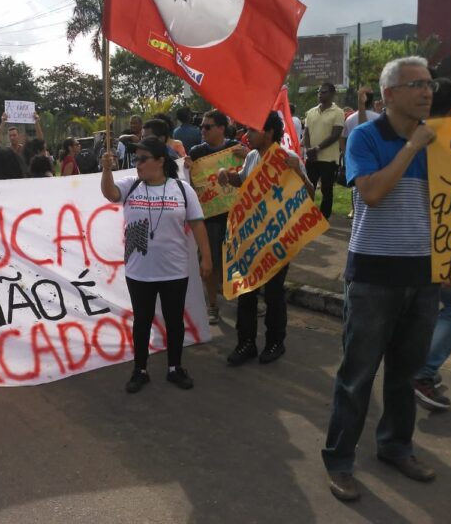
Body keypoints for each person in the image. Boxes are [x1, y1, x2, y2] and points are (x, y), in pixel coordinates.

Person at [322, 57, 440, 502]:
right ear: (389, 94)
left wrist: (450, 264)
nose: (427, 91)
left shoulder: (441, 142)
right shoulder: (366, 137)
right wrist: (412, 147)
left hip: (424, 275)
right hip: (373, 276)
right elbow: (370, 193)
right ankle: (339, 460)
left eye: (429, 83)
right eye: (416, 84)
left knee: (405, 374)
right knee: (357, 375)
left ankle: (395, 446)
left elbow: (448, 208)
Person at [100, 138, 212, 393]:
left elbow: (197, 224)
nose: (137, 164)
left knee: (174, 320)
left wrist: (207, 257)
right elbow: (109, 193)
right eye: (136, 159)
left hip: (174, 270)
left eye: (143, 159)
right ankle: (140, 369)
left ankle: (175, 367)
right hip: (139, 271)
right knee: (142, 320)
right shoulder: (131, 186)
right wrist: (106, 169)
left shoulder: (182, 190)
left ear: (160, 161)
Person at [218, 112, 314, 366]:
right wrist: (228, 176)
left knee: (273, 294)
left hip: (278, 239)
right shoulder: (251, 156)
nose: (247, 135)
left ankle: (275, 342)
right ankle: (246, 343)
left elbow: (310, 195)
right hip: (251, 238)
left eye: (253, 130)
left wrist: (300, 174)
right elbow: (244, 181)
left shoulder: (287, 159)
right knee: (246, 293)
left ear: (269, 132)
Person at [413, 77, 451, 411]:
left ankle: (420, 367)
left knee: (427, 308)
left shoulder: (409, 136)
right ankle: (423, 373)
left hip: (412, 243)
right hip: (444, 243)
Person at [184, 109, 246, 325]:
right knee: (209, 262)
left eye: (207, 127)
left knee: (238, 259)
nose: (203, 130)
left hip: (235, 214)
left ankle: (244, 301)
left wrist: (247, 156)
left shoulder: (235, 149)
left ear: (221, 128)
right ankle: (212, 305)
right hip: (208, 217)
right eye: (201, 126)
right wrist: (187, 169)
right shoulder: (196, 152)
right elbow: (191, 185)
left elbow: (253, 172)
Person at [303, 83, 345, 219]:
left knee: (327, 189)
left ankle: (323, 217)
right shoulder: (311, 112)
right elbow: (306, 133)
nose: (320, 95)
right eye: (319, 92)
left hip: (328, 159)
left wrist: (317, 148)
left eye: (324, 92)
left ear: (332, 94)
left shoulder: (338, 112)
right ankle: (306, 215)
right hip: (312, 158)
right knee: (309, 187)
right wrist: (309, 149)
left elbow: (335, 135)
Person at [343, 86, 381, 219]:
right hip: (375, 159)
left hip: (354, 159)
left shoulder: (349, 119)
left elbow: (344, 139)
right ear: (372, 101)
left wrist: (345, 155)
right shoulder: (379, 118)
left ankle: (354, 210)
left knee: (356, 186)